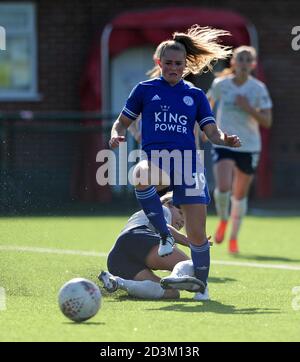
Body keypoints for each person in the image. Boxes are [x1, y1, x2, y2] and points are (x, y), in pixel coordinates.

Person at [109, 25, 241, 298]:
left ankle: (202, 289)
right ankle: (164, 234)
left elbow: (211, 132)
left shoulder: (195, 95)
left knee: (197, 234)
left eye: (178, 64)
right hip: (158, 160)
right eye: (167, 63)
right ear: (159, 63)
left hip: (189, 166)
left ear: (185, 65)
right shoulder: (144, 90)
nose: (173, 68)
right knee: (140, 175)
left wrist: (225, 138)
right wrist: (115, 135)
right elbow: (121, 123)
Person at [207, 46, 273, 254]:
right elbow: (207, 105)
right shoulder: (220, 84)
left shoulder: (258, 89)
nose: (243, 64)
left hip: (249, 145)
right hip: (225, 142)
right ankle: (223, 219)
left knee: (239, 194)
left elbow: (268, 121)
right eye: (240, 59)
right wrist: (204, 126)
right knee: (224, 186)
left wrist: (248, 107)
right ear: (233, 63)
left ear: (252, 65)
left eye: (248, 60)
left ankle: (233, 237)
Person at [99, 193, 208, 300]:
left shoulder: (146, 216)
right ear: (169, 204)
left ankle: (117, 282)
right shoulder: (163, 209)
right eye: (180, 213)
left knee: (171, 293)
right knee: (193, 266)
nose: (183, 221)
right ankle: (175, 277)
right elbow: (164, 227)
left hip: (116, 259)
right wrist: (191, 241)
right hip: (138, 238)